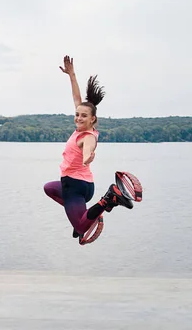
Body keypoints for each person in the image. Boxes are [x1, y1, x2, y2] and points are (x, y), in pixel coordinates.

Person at [43, 55, 133, 240]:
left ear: (93, 119)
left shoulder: (87, 137)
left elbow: (87, 150)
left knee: (81, 227)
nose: (78, 117)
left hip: (75, 187)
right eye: (77, 114)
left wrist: (87, 158)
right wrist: (72, 74)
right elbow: (77, 97)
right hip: (80, 185)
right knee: (49, 188)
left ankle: (110, 198)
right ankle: (85, 213)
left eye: (83, 116)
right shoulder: (83, 128)